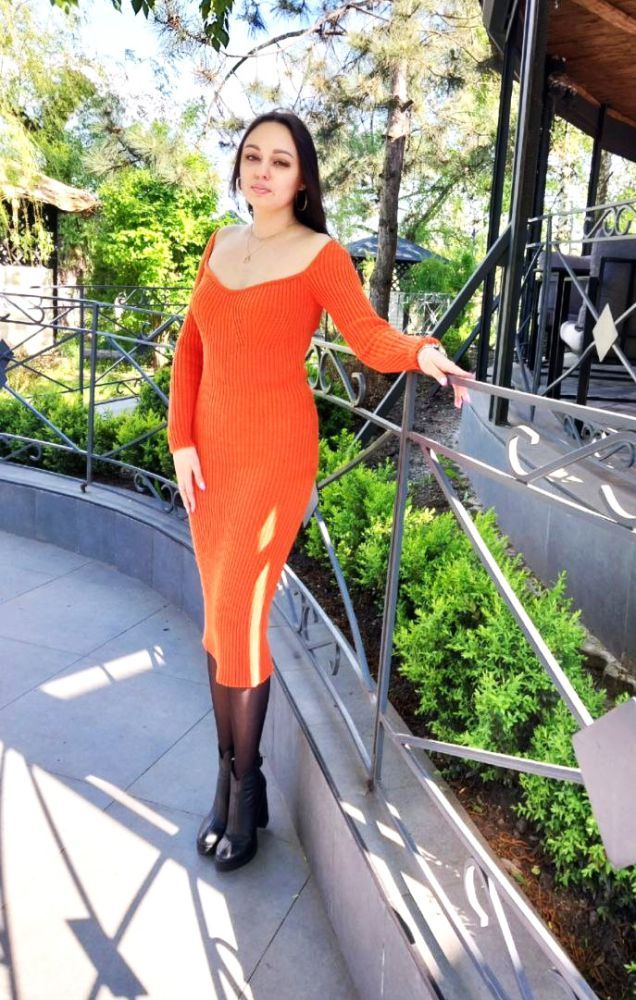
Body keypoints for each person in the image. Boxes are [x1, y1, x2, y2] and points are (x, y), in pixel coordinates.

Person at [167, 108, 473, 873]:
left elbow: (367, 335)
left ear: (302, 177)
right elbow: (190, 347)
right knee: (219, 623)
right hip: (209, 460)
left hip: (273, 458)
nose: (263, 170)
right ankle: (235, 780)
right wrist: (180, 443)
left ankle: (241, 791)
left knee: (239, 618)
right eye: (253, 156)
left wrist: (422, 351)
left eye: (281, 160)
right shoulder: (219, 244)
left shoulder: (319, 254)